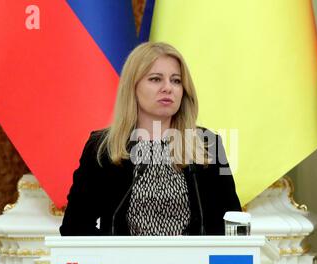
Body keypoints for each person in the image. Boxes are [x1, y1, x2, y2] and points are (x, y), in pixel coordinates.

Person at [59, 42, 241, 236]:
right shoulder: (102, 147)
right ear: (133, 86)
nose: (167, 88)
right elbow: (74, 227)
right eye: (155, 79)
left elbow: (233, 225)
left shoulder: (207, 144)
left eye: (176, 81)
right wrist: (117, 257)